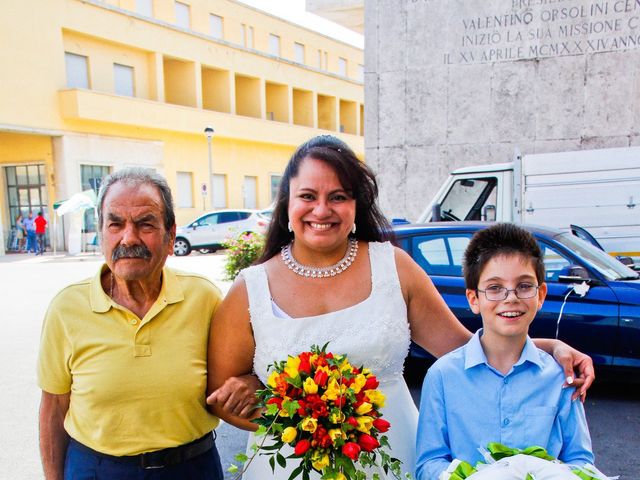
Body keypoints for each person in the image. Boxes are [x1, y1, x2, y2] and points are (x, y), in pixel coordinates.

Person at [206, 135, 595, 479]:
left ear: (356, 206)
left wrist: (551, 349)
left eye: (338, 196)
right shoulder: (251, 288)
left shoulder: (393, 266)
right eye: (308, 196)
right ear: (287, 204)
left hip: (395, 458)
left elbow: (465, 350)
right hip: (293, 465)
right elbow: (224, 396)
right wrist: (284, 410)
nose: (321, 210)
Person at [37, 168, 253, 480]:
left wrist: (247, 383)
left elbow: (237, 374)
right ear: (102, 233)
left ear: (171, 236)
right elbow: (53, 408)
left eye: (145, 224)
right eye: (115, 224)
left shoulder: (203, 297)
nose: (129, 237)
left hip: (191, 468)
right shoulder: (67, 307)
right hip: (97, 470)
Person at [415, 223, 596, 480]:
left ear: (541, 294)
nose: (510, 298)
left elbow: (581, 461)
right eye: (495, 288)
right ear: (473, 299)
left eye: (524, 286)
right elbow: (428, 464)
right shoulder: (443, 376)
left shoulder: (560, 376)